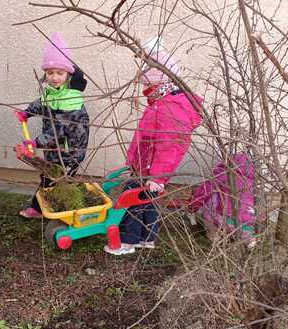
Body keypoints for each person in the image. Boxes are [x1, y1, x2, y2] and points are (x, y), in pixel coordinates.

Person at [105, 38, 204, 255]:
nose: (145, 89)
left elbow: (169, 145)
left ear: (158, 82)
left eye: (147, 84)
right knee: (148, 202)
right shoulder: (162, 103)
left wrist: (158, 177)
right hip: (146, 168)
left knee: (132, 201)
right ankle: (147, 238)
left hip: (151, 171)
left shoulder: (171, 108)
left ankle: (126, 242)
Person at [15, 32, 90, 219]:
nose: (54, 77)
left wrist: (36, 142)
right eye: (50, 73)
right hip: (54, 148)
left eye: (59, 72)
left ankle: (40, 209)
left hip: (69, 151)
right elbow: (42, 103)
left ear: (68, 73)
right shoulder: (53, 92)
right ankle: (64, 207)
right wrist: (27, 112)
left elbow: (59, 129)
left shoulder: (70, 99)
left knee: (52, 177)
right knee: (55, 178)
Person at [188, 153, 257, 248]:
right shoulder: (253, 182)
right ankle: (249, 240)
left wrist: (192, 208)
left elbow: (203, 192)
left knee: (211, 199)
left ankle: (214, 237)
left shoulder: (222, 174)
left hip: (223, 219)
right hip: (247, 223)